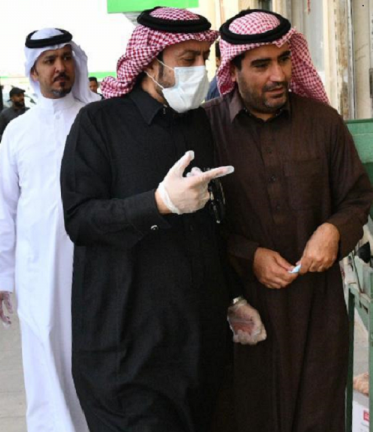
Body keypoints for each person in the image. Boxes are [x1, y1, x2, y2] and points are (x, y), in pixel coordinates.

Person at [62, 8, 264, 431]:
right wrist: (157, 203)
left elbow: (208, 227)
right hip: (128, 352)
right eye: (187, 58)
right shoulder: (99, 123)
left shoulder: (198, 124)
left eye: (204, 58)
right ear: (151, 63)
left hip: (196, 348)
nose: (199, 68)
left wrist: (232, 298)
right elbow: (81, 220)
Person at [204, 10, 373, 431]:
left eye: (284, 60)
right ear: (233, 68)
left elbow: (357, 197)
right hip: (239, 309)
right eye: (261, 65)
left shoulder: (324, 122)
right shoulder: (205, 128)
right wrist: (248, 255)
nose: (278, 75)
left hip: (318, 310)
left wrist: (333, 230)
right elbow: (196, 225)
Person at [0, 28, 100, 431]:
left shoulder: (96, 118)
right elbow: (5, 209)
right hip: (37, 269)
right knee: (44, 352)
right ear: (33, 71)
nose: (60, 67)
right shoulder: (18, 131)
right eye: (49, 61)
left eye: (66, 58)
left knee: (91, 350)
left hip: (92, 262)